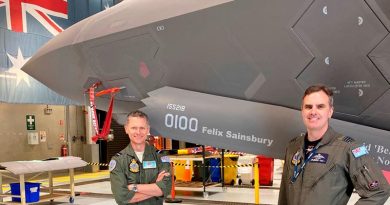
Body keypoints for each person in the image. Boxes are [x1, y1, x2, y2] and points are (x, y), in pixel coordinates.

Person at [278, 84, 390, 205]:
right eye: (308, 107)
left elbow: (379, 191)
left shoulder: (348, 148)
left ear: (330, 111)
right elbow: (284, 195)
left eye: (320, 106)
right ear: (302, 111)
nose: (313, 111)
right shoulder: (293, 147)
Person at [110, 111, 172, 205]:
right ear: (126, 129)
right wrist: (155, 188)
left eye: (142, 128)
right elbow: (121, 198)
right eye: (134, 128)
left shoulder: (162, 157)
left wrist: (133, 187)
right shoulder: (118, 161)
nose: (138, 132)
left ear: (148, 130)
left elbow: (166, 189)